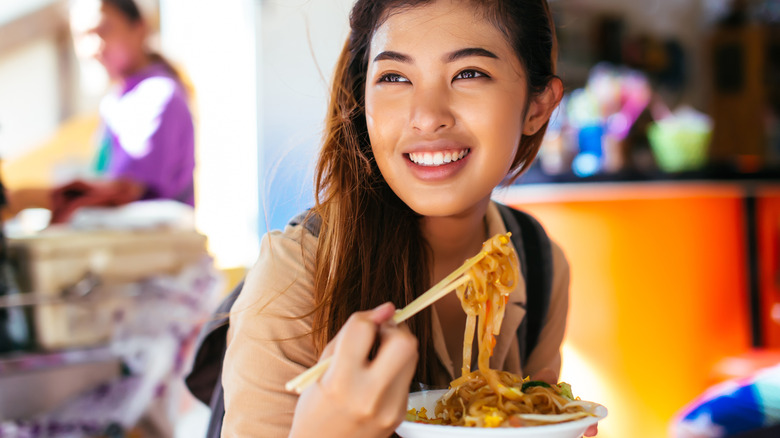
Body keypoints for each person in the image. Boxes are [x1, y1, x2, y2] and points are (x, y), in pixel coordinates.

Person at [221, 1, 592, 437]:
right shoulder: (296, 275)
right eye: (394, 77)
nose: (427, 117)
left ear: (538, 107)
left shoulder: (540, 263)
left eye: (469, 73)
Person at [7, 0, 195, 223]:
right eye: (81, 36)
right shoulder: (118, 100)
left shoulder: (157, 95)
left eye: (102, 30)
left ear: (140, 28)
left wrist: (33, 198)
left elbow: (127, 191)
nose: (92, 47)